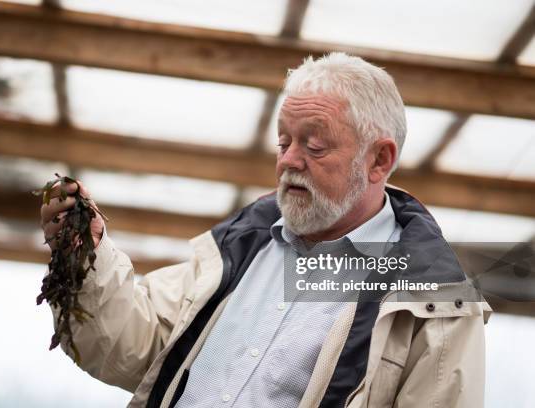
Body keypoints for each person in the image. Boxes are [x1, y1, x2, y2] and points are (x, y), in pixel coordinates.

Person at [40, 52, 491, 408]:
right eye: (283, 141)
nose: (289, 160)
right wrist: (88, 256)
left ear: (379, 160)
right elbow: (127, 345)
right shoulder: (237, 248)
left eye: (314, 145)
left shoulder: (436, 304)